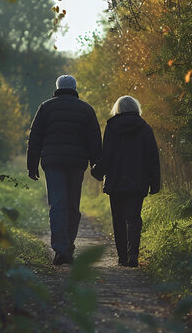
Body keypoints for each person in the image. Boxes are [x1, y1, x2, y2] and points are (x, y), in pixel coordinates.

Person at [26, 75, 102, 265]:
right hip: (76, 163)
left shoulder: (46, 107)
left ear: (57, 88)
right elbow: (94, 140)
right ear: (75, 88)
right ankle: (68, 246)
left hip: (52, 162)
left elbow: (35, 137)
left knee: (57, 205)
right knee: (73, 206)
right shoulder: (86, 109)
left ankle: (60, 249)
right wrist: (97, 165)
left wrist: (32, 165)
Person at [91, 95, 160, 267]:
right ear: (136, 108)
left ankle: (122, 257)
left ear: (118, 109)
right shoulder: (145, 128)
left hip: (116, 181)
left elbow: (106, 155)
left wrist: (97, 172)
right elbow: (153, 158)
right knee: (134, 218)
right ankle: (133, 256)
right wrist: (155, 183)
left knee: (118, 219)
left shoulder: (111, 128)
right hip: (138, 181)